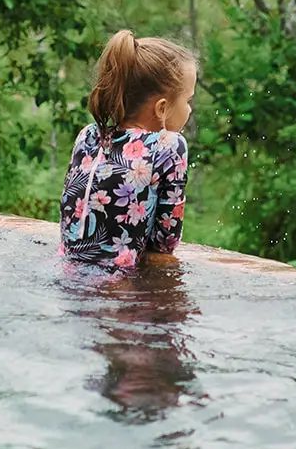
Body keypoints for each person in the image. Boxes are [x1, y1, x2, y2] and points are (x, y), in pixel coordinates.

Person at [59, 29, 196, 271]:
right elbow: (166, 241)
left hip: (68, 270)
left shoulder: (88, 135)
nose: (190, 110)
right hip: (118, 282)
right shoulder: (169, 145)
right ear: (162, 108)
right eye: (188, 101)